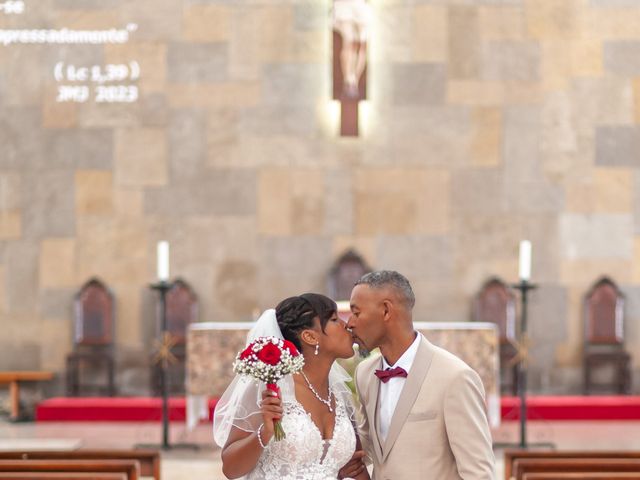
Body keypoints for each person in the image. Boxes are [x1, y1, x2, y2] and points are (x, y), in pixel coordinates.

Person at [345, 271, 495, 479]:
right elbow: (371, 446)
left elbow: (478, 473)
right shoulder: (365, 373)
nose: (349, 323)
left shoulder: (455, 377)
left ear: (386, 311)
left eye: (356, 312)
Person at [214, 293, 370, 480]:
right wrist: (265, 433)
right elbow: (230, 469)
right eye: (335, 319)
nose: (347, 325)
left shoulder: (339, 393)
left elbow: (355, 466)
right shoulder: (270, 389)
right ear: (310, 337)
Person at [333, 0, 371, 98]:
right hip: (344, 5)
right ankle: (348, 80)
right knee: (349, 42)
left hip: (360, 5)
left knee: (361, 44)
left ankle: (353, 81)